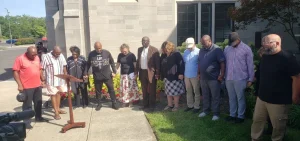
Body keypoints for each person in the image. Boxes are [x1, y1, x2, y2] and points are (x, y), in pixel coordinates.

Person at [251, 34, 300, 141]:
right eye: (263, 42)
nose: (263, 45)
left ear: (277, 43)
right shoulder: (266, 56)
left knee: (278, 127)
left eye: (266, 43)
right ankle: (255, 139)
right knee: (257, 121)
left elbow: (296, 78)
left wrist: (295, 96)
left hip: (279, 101)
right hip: (262, 98)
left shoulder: (287, 58)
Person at [12, 46, 48, 129]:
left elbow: (39, 69)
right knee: (27, 105)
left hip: (37, 85)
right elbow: (15, 72)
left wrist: (42, 79)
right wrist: (19, 84)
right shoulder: (20, 59)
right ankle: (27, 122)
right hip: (26, 86)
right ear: (27, 53)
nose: (34, 56)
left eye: (36, 54)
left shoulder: (36, 58)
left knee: (38, 103)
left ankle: (38, 117)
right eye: (32, 55)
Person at [224, 32, 255, 123]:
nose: (231, 44)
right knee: (231, 97)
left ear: (238, 40)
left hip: (241, 77)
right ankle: (232, 115)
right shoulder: (227, 49)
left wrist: (250, 79)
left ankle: (240, 116)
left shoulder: (246, 49)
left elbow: (250, 65)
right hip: (228, 77)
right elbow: (225, 63)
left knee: (240, 97)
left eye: (233, 42)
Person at [198, 35, 225, 120]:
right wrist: (198, 73)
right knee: (205, 95)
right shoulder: (201, 50)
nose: (203, 45)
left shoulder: (217, 49)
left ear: (210, 41)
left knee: (215, 96)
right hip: (203, 77)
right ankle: (206, 111)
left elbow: (222, 63)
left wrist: (222, 75)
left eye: (204, 43)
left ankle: (216, 113)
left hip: (214, 78)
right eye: (202, 43)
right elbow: (200, 62)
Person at [87, 41, 119, 111]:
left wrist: (114, 71)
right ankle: (99, 104)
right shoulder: (91, 54)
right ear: (94, 48)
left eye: (100, 48)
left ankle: (114, 103)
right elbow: (88, 64)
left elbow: (112, 62)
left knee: (111, 89)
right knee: (98, 91)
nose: (99, 50)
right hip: (97, 76)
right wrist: (86, 73)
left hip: (107, 75)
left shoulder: (107, 53)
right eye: (97, 48)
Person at [42, 46, 68, 120]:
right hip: (51, 80)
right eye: (56, 53)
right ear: (53, 51)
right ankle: (56, 112)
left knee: (59, 93)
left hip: (60, 79)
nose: (58, 55)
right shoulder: (46, 57)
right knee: (53, 94)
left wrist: (66, 76)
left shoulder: (61, 55)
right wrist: (43, 80)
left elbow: (64, 66)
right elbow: (42, 69)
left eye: (59, 54)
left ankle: (58, 109)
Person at [135, 36, 160, 112]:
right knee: (144, 89)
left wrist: (157, 73)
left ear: (149, 41)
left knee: (152, 89)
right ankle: (145, 105)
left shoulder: (154, 50)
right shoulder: (139, 49)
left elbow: (157, 62)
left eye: (145, 41)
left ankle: (152, 105)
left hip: (151, 73)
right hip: (142, 72)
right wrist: (136, 72)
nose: (144, 42)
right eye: (143, 41)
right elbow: (138, 61)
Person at [160, 41, 185, 112]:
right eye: (164, 49)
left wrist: (181, 73)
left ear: (170, 48)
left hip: (175, 76)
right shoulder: (164, 55)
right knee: (168, 92)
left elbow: (181, 64)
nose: (165, 50)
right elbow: (162, 64)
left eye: (166, 49)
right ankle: (170, 105)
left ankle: (176, 106)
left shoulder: (176, 54)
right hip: (167, 77)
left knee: (175, 93)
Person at [182, 37, 201, 113]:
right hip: (187, 75)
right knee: (188, 91)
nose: (189, 48)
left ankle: (197, 106)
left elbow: (200, 64)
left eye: (190, 46)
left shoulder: (198, 52)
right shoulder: (186, 51)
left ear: (194, 44)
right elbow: (184, 63)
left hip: (195, 75)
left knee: (196, 91)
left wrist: (199, 74)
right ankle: (190, 105)